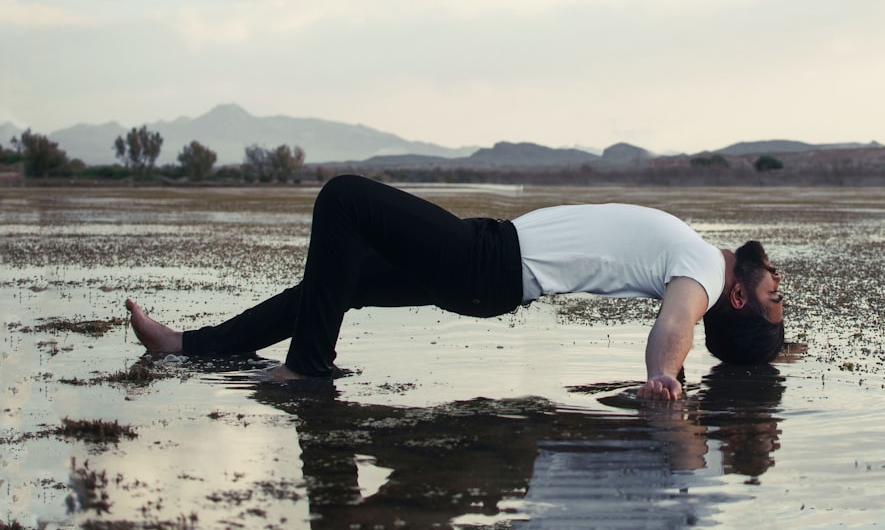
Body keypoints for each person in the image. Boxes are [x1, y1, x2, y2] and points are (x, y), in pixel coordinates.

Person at [126, 175, 784, 400]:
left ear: (735, 300)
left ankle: (308, 369)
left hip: (489, 263)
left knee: (342, 200)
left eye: (773, 300)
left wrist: (663, 375)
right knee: (338, 281)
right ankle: (187, 345)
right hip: (490, 264)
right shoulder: (699, 258)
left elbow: (675, 326)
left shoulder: (700, 273)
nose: (777, 287)